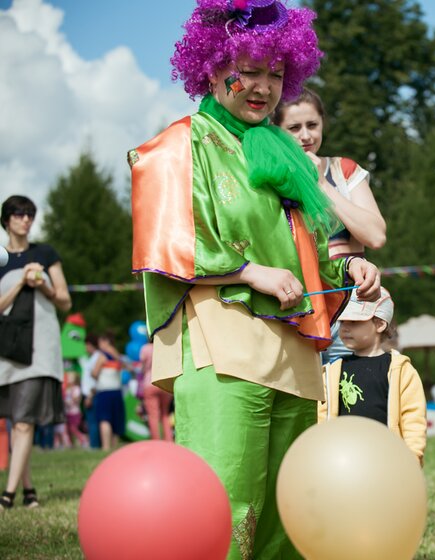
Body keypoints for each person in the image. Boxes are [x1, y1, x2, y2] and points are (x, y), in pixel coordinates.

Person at [129, 2, 380, 557]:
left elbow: (304, 255)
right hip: (223, 343)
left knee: (288, 513)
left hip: (292, 352)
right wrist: (249, 272)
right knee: (225, 506)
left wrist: (346, 269)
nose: (264, 86)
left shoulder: (283, 151)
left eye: (276, 72)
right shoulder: (183, 142)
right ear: (214, 68)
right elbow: (165, 235)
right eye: (249, 69)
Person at [273, 88, 386, 363]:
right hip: (299, 309)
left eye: (312, 125)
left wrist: (322, 185)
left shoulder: (343, 170)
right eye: (294, 127)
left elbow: (375, 236)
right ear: (275, 130)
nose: (305, 136)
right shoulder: (271, 178)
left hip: (349, 312)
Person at [0, 195, 71, 511]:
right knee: (15, 421)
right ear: (6, 220)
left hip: (40, 347)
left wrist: (41, 283)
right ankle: (29, 491)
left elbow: (65, 301)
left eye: (30, 213)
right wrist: (19, 286)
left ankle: (8, 495)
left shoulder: (45, 253)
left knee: (24, 422)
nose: (25, 219)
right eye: (19, 213)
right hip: (7, 349)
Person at [318, 287, 426, 464]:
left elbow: (413, 417)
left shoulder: (400, 370)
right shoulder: (332, 371)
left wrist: (412, 456)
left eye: (354, 322)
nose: (344, 328)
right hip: (344, 461)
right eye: (343, 321)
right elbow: (321, 417)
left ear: (379, 324)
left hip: (387, 461)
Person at [90, 332, 126, 450]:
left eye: (100, 342)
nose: (99, 345)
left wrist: (94, 375)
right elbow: (124, 366)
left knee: (104, 419)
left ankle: (106, 447)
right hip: (117, 390)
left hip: (104, 391)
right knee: (116, 419)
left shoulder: (102, 355)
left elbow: (95, 373)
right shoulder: (117, 355)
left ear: (106, 342)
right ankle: (114, 446)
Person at [138, 342, 173, 441]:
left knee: (153, 415)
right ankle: (169, 440)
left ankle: (156, 441)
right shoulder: (166, 346)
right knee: (165, 414)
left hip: (150, 382)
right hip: (165, 382)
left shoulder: (145, 348)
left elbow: (143, 368)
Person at [80, 335, 101, 449]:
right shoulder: (91, 357)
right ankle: (94, 443)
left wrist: (90, 396)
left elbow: (95, 379)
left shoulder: (96, 357)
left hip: (92, 394)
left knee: (93, 421)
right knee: (90, 420)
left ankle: (94, 445)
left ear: (90, 344)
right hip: (88, 393)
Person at [63, 371, 87, 448]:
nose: (69, 379)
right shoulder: (67, 389)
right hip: (68, 412)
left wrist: (72, 399)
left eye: (71, 377)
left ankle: (83, 439)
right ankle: (71, 443)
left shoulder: (76, 389)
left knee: (73, 428)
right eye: (68, 377)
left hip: (75, 412)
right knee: (68, 429)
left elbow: (76, 399)